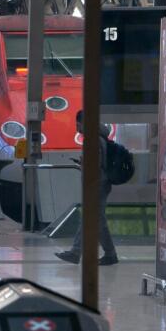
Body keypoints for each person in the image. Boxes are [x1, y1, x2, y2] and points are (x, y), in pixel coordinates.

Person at [56, 109, 118, 266]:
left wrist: (84, 165)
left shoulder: (93, 139)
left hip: (97, 184)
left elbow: (94, 164)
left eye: (78, 125)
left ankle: (75, 253)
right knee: (98, 220)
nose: (77, 129)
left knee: (89, 218)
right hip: (100, 183)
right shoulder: (99, 137)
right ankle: (110, 254)